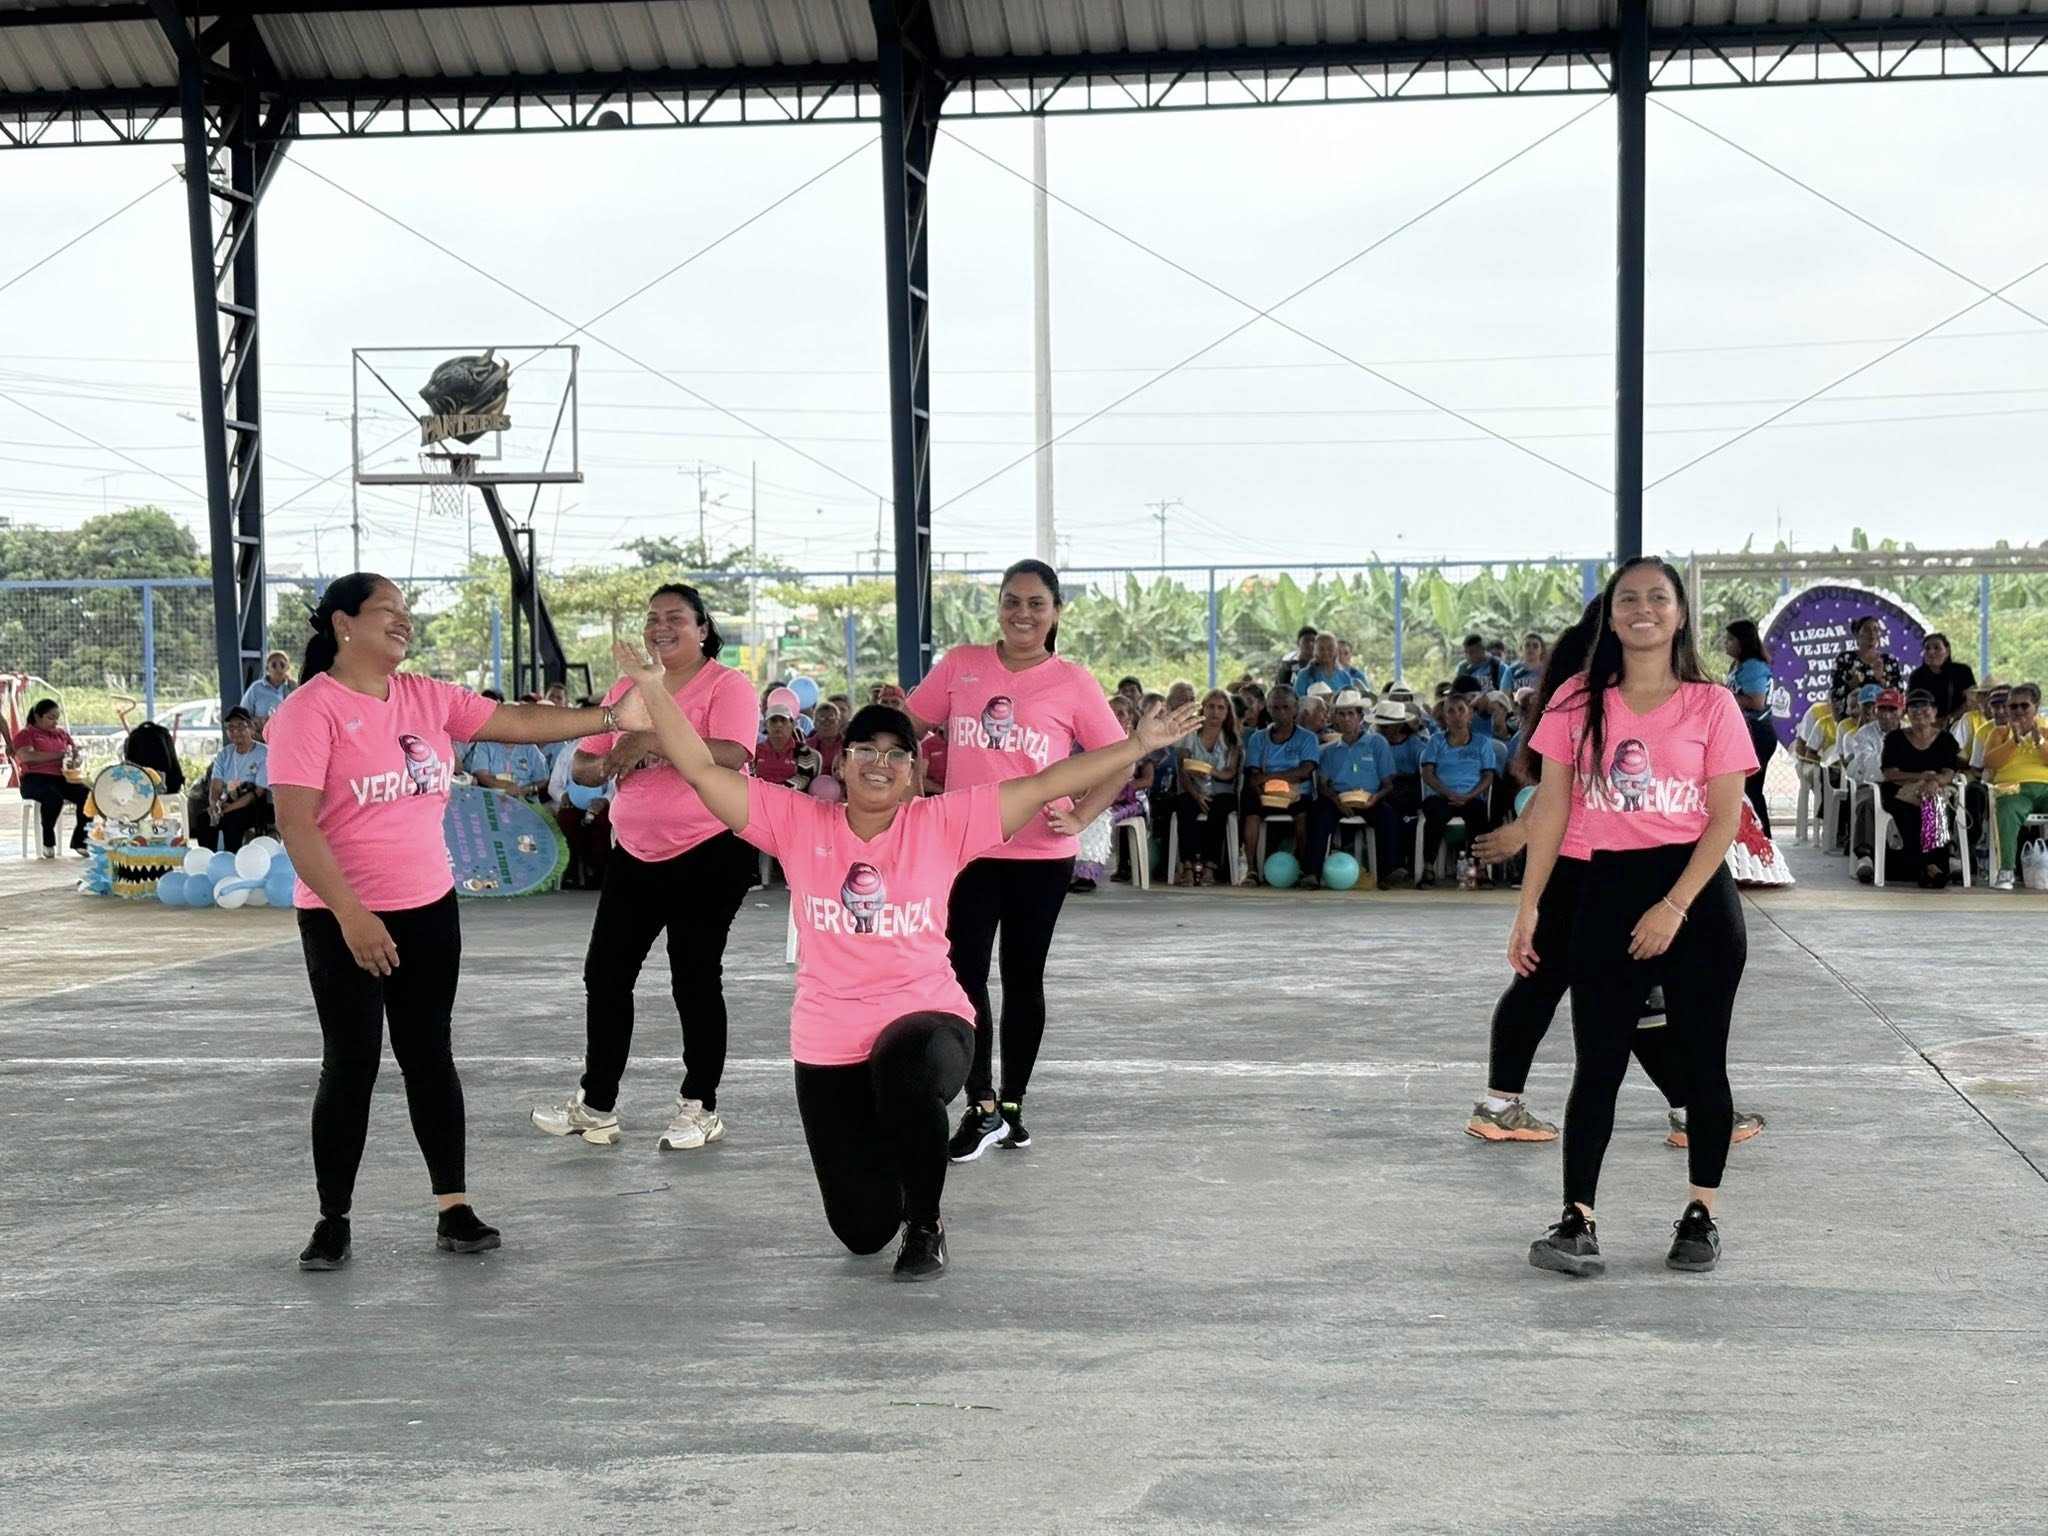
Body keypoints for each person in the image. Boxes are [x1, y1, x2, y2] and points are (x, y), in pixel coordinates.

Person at [619, 637, 1199, 1279]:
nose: (881, 763)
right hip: (829, 1036)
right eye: (866, 750)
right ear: (844, 760)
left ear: (913, 771)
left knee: (903, 1069)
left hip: (930, 1019)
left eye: (898, 753)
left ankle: (926, 1223)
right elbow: (703, 771)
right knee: (862, 1231)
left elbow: (1046, 782)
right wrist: (653, 686)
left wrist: (1138, 745)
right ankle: (897, 1157)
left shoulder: (942, 822)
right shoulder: (796, 821)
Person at [268, 573, 644, 1271]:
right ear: (344, 623)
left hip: (428, 906)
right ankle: (332, 1219)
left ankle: (454, 1207)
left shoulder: (427, 696)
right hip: (343, 917)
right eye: (387, 610)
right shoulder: (308, 711)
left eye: (406, 611)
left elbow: (518, 722)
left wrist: (611, 717)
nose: (403, 621)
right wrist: (352, 915)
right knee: (351, 1064)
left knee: (429, 1055)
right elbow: (296, 824)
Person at [1511, 558, 1755, 1279]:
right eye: (1628, 599)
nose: (1643, 609)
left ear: (1679, 614)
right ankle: (1577, 1220)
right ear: (1611, 616)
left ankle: (1701, 1216)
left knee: (1702, 1062)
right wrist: (1529, 907)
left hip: (1696, 898)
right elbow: (1551, 810)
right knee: (1599, 1064)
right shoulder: (1575, 701)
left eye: (1658, 597)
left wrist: (1673, 906)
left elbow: (1725, 819)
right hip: (1607, 891)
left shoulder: (1712, 704)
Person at [1468, 604, 1767, 1151]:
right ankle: (1690, 1112)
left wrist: (1526, 839)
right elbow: (1561, 787)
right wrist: (1526, 834)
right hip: (1604, 865)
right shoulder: (1596, 685)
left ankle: (1498, 1102)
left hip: (1575, 863)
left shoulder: (1585, 676)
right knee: (1632, 996)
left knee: (1543, 981)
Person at [901, 559, 1127, 1161]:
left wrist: (1082, 816)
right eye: (1011, 601)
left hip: (1040, 857)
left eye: (1035, 603)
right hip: (965, 849)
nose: (1021, 614)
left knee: (1023, 978)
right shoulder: (961, 665)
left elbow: (1119, 758)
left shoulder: (1072, 681)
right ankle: (981, 1105)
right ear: (998, 606)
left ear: (1055, 613)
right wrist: (913, 796)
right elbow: (906, 729)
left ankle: (1013, 1106)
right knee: (963, 974)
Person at [529, 583, 760, 1154]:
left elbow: (733, 753)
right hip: (634, 852)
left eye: (675, 617)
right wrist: (610, 758)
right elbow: (585, 764)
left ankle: (700, 1105)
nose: (660, 626)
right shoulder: (624, 690)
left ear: (702, 630)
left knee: (694, 976)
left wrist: (652, 739)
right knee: (605, 975)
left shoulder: (726, 685)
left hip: (710, 850)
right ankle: (596, 1105)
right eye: (652, 617)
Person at [1302, 689, 1395, 888]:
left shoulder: (1377, 743)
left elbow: (1388, 784)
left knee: (1387, 815)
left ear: (1360, 717)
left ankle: (1389, 872)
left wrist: (1375, 797)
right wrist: (1336, 799)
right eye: (1341, 714)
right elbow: (1323, 784)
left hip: (1370, 798)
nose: (1346, 719)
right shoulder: (1329, 751)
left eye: (1351, 713)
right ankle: (1312, 873)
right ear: (1335, 718)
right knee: (1318, 813)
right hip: (1338, 799)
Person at [1880, 690, 1963, 888]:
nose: (1919, 712)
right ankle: (1932, 866)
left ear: (1934, 712)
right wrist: (1922, 777)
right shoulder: (1895, 738)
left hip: (1935, 790)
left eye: (1925, 707)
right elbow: (1890, 774)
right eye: (1914, 707)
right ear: (1907, 713)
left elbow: (1948, 773)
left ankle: (1929, 867)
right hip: (1900, 793)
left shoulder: (1946, 740)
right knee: (1912, 813)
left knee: (1934, 805)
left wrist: (1934, 783)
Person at [1238, 684, 1319, 884]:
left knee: (1304, 812)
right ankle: (1251, 870)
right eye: (1275, 707)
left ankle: (1304, 868)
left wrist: (1269, 776)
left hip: (1297, 794)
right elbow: (1254, 775)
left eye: (1286, 707)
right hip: (1266, 794)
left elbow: (1305, 771)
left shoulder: (1307, 738)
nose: (1280, 712)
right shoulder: (1258, 738)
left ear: (1295, 709)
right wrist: (1265, 782)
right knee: (1249, 803)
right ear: (1267, 709)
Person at [1417, 691, 1496, 888]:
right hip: (1441, 796)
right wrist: (1447, 793)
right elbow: (1427, 773)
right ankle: (1428, 869)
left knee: (1479, 816)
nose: (1457, 715)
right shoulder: (1436, 741)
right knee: (1435, 816)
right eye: (1451, 711)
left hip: (1471, 796)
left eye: (1461, 710)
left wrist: (1469, 796)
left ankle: (1480, 869)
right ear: (1445, 717)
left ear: (1470, 714)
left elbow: (1488, 776)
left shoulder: (1482, 742)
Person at [1169, 688, 1240, 886]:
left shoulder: (1232, 739)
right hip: (1192, 788)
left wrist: (1211, 771)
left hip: (1221, 791)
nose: (1215, 712)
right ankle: (1188, 865)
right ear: (1203, 709)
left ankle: (1210, 865)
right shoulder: (1190, 734)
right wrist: (1196, 794)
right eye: (1211, 706)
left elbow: (1230, 772)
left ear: (1227, 712)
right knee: (1185, 807)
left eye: (1221, 708)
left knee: (1220, 810)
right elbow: (1183, 770)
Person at [1982, 682, 2048, 890]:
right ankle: (2006, 871)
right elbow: (1990, 762)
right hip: (2014, 789)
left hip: (2045, 788)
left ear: (2036, 707)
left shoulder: (2046, 730)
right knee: (2007, 810)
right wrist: (2014, 742)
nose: (2018, 711)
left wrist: (2040, 742)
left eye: (2024, 705)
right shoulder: (1999, 732)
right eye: (2013, 706)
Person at [10, 697, 88, 857]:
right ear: (38, 717)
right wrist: (60, 755)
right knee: (53, 798)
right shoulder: (26, 734)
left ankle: (81, 841)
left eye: (57, 719)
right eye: (50, 718)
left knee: (88, 796)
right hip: (34, 779)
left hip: (62, 778)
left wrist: (74, 759)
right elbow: (27, 757)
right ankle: (48, 841)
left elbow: (74, 755)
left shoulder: (62, 734)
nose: (55, 722)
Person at [1723, 620, 1778, 839]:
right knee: (1744, 790)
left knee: (1752, 790)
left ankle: (1764, 839)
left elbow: (1756, 702)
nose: (1725, 644)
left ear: (1742, 642)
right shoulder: (1738, 665)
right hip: (1745, 733)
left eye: (1730, 640)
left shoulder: (1753, 666)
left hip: (1758, 733)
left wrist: (1724, 697)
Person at [194, 706, 270, 852]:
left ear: (251, 727)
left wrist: (229, 809)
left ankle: (232, 859)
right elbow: (216, 785)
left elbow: (258, 792)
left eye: (240, 726)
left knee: (232, 820)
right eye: (230, 727)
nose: (235, 731)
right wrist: (214, 804)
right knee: (204, 818)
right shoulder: (225, 754)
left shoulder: (263, 753)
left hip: (252, 804)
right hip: (226, 801)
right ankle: (209, 857)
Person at [1826, 615, 1906, 713]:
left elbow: (1899, 694)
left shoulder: (1889, 660)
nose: (1872, 633)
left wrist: (1881, 680)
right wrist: (1851, 685)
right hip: (1853, 714)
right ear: (1857, 634)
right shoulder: (1845, 659)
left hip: (1883, 715)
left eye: (1875, 630)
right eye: (1867, 630)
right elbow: (1834, 694)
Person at [1907, 633, 1976, 729]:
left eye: (1936, 648)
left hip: (1959, 725)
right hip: (1927, 727)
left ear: (1947, 651)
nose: (1931, 652)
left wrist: (1950, 718)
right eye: (1927, 648)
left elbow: (1973, 701)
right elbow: (1911, 705)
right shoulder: (1916, 676)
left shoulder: (1962, 671)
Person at [464, 730, 549, 799]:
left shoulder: (531, 748)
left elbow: (542, 782)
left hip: (525, 801)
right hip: (493, 797)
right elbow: (482, 775)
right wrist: (506, 786)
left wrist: (527, 790)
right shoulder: (486, 744)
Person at [239, 650, 296, 738]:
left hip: (287, 737)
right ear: (267, 668)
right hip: (261, 738)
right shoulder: (256, 688)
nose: (278, 669)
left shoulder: (294, 688)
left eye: (282, 665)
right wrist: (260, 722)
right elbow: (242, 714)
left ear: (287, 668)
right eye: (274, 665)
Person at [1275, 626, 1317, 690]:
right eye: (1306, 640)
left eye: (1313, 640)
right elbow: (1279, 689)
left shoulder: (1322, 663)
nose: (1310, 643)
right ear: (1298, 643)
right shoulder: (1289, 665)